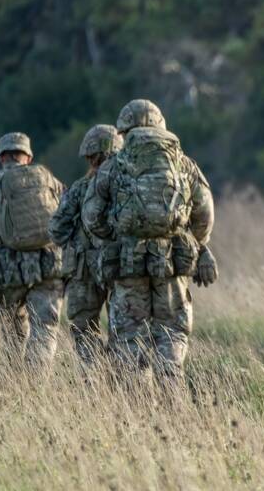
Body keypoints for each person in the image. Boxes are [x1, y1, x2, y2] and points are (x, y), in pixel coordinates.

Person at [82, 99, 216, 387]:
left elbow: (91, 215)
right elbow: (205, 212)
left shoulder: (114, 165)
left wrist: (116, 237)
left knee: (130, 342)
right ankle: (173, 406)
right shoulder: (183, 163)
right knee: (171, 337)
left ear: (123, 131)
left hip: (128, 266)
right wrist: (191, 241)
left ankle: (137, 414)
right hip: (173, 268)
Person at [0, 132, 65, 368]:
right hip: (49, 265)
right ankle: (36, 385)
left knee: (13, 329)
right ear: (28, 157)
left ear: (2, 157)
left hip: (7, 270)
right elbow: (66, 220)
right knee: (45, 328)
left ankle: (15, 381)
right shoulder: (48, 179)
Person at [49, 124, 123, 367]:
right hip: (122, 268)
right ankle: (120, 379)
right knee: (123, 331)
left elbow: (57, 229)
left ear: (93, 157)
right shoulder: (127, 184)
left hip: (85, 270)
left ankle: (94, 381)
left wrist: (76, 239)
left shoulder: (82, 187)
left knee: (84, 329)